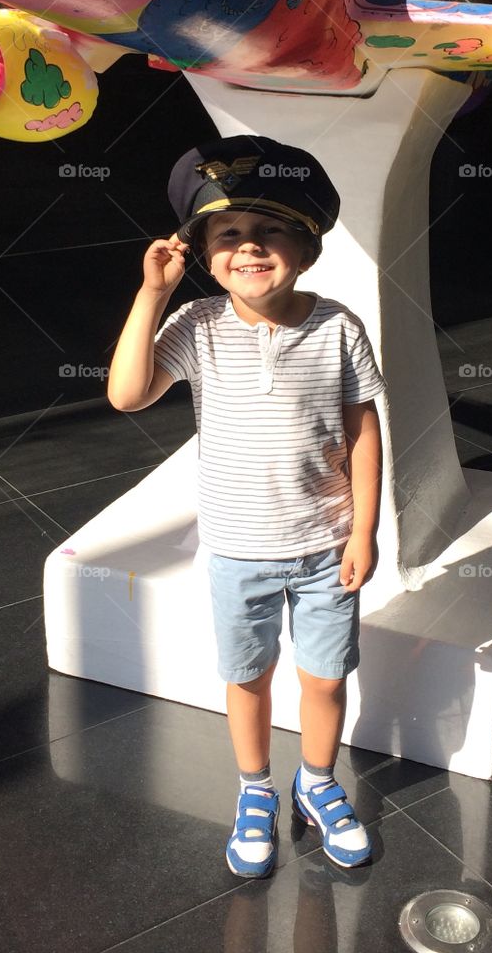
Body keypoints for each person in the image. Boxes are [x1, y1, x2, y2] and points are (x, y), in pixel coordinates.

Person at [107, 134, 384, 878]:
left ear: (305, 244)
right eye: (227, 235)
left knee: (325, 678)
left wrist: (364, 528)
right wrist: (153, 292)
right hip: (236, 549)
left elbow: (362, 429)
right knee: (248, 677)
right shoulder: (196, 329)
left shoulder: (338, 328)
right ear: (202, 252)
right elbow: (127, 394)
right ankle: (255, 789)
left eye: (269, 230)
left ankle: (318, 782)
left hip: (326, 546)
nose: (249, 248)